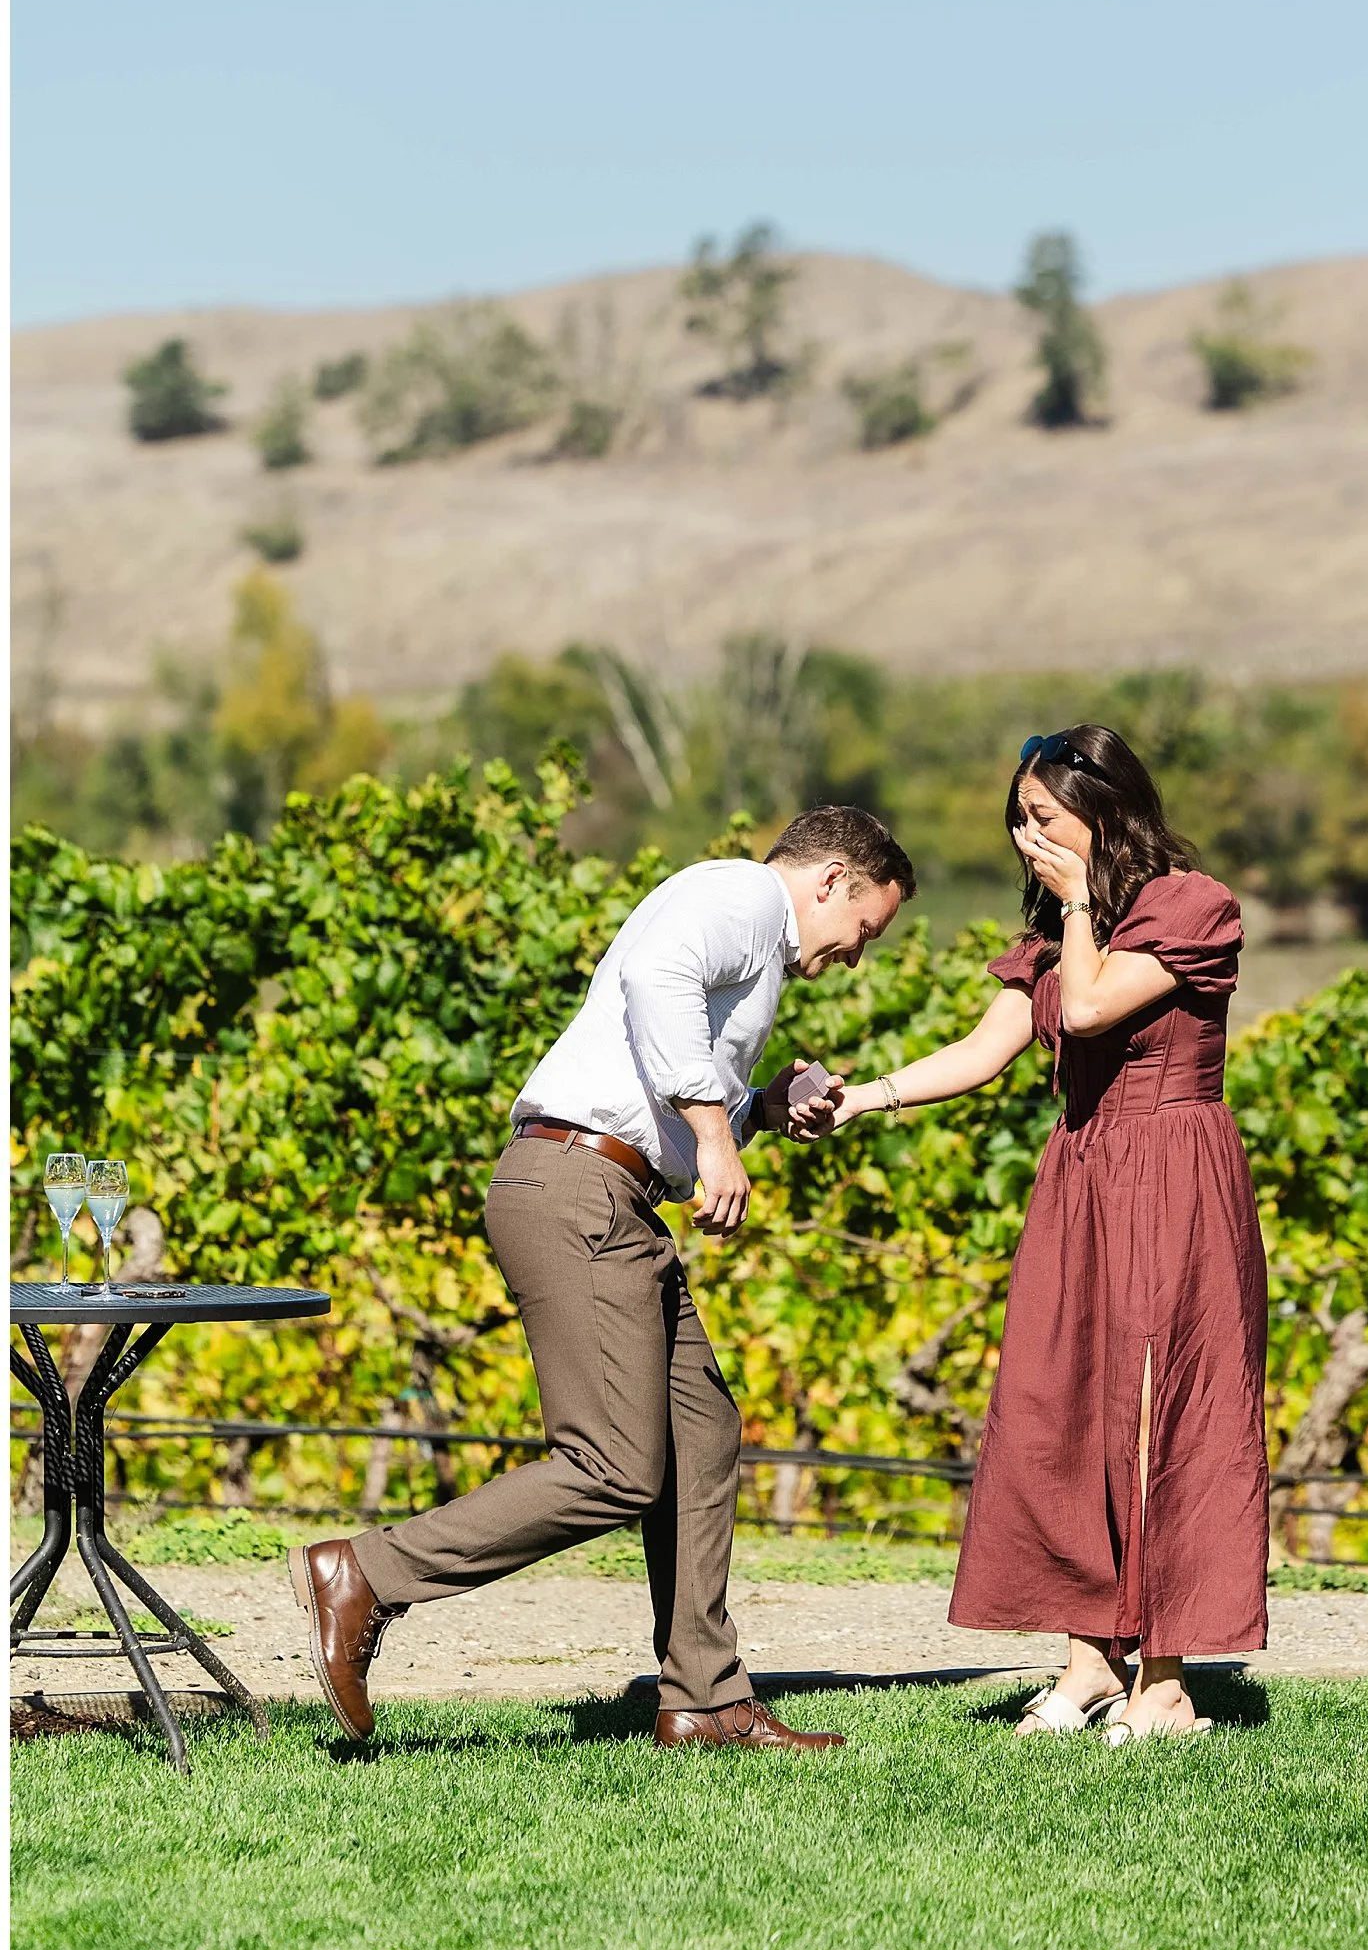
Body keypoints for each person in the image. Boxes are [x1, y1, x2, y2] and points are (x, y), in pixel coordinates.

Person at [289, 804, 916, 1750]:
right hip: (577, 1187)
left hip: (611, 1190)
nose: (856, 955)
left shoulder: (750, 944)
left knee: (703, 1434)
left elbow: (655, 1070)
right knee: (617, 1464)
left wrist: (759, 1104)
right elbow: (657, 978)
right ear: (832, 879)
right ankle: (367, 1572)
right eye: (866, 929)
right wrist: (714, 1135)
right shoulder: (744, 895)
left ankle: (704, 1697)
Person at [823, 728, 1268, 1740]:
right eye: (1019, 822)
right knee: (1065, 1406)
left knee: (1167, 1412)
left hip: (1173, 1174)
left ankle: (1166, 1681)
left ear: (1105, 815)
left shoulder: (1191, 906)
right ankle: (1087, 1662)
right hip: (1082, 1176)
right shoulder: (1056, 931)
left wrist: (1075, 907)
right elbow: (987, 1048)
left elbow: (1097, 1004)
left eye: (1044, 820)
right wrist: (867, 1098)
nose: (1027, 839)